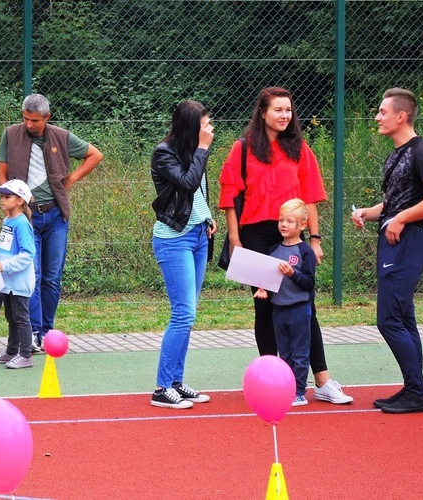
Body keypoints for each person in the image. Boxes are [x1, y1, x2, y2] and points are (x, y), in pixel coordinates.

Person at [219, 86, 353, 405]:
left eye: (288, 110)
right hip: (255, 235)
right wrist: (236, 239)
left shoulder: (299, 148)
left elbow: (311, 197)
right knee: (266, 308)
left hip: (293, 234)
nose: (284, 116)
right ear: (263, 112)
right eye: (278, 110)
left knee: (305, 307)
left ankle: (321, 381)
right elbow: (229, 197)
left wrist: (315, 240)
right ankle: (274, 381)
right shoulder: (243, 148)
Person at [352, 88, 423, 414]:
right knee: (403, 318)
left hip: (409, 241)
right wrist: (370, 212)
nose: (377, 117)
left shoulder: (421, 152)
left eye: (382, 112)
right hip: (396, 239)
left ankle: (418, 392)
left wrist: (400, 219)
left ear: (401, 116)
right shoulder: (395, 154)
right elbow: (396, 202)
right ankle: (413, 388)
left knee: (389, 319)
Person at [0, 93, 103, 350]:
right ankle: (31, 332)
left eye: (34, 120)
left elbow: (95, 155)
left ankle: (46, 330)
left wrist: (72, 178)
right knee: (30, 273)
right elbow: (2, 171)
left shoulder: (61, 136)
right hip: (27, 216)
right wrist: (10, 200)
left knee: (52, 277)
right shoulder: (11, 135)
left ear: (47, 117)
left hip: (55, 215)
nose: (29, 125)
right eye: (25, 119)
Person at [149, 100, 217, 409]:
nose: (210, 129)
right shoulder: (165, 153)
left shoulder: (194, 153)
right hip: (173, 239)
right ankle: (162, 388)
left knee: (188, 316)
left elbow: (198, 191)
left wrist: (207, 216)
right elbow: (188, 183)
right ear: (191, 127)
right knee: (183, 313)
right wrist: (203, 149)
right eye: (205, 124)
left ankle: (176, 381)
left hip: (198, 236)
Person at [253, 199, 316, 406]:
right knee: (285, 353)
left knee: (299, 353)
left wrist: (292, 274)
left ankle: (299, 391)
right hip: (278, 310)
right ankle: (287, 388)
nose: (283, 225)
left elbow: (309, 283)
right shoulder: (273, 250)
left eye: (290, 221)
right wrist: (263, 288)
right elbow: (268, 278)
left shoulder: (305, 251)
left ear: (302, 225)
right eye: (281, 220)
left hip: (299, 309)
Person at [0, 179, 36, 369]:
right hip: (7, 282)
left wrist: (5, 265)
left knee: (21, 317)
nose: (2, 200)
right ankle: (11, 351)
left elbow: (27, 254)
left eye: (7, 197)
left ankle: (25, 355)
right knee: (11, 317)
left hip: (19, 282)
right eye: (1, 196)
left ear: (19, 201)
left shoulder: (22, 224)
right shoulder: (7, 220)